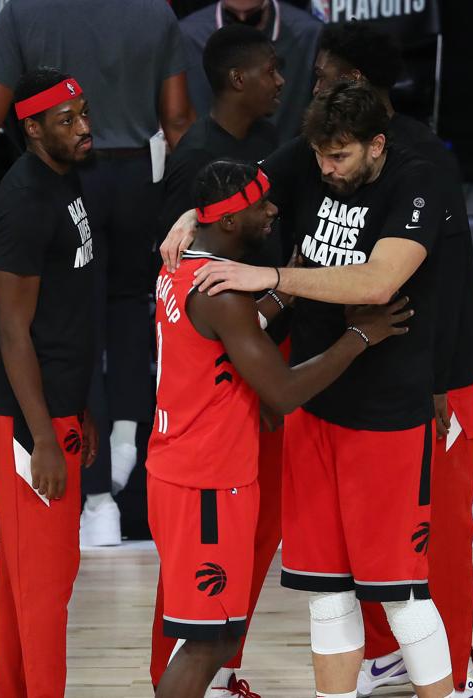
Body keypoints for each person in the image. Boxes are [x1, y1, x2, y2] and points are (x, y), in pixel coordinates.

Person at [161, 82, 454, 698]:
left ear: (376, 146)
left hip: (385, 413)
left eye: (340, 157)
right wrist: (192, 214)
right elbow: (236, 193)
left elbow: (378, 283)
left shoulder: (418, 180)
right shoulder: (310, 156)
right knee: (325, 589)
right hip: (314, 407)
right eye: (320, 155)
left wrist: (270, 275)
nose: (325, 168)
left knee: (401, 593)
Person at [0, 0, 195, 546]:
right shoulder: (155, 11)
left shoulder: (22, 13)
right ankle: (128, 445)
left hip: (72, 176)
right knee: (135, 312)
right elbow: (178, 119)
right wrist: (194, 200)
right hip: (140, 176)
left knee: (75, 320)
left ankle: (100, 500)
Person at [311, 22, 473, 698]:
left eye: (327, 74)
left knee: (439, 532)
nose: (316, 84)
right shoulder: (331, 149)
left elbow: (438, 285)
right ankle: (389, 656)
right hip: (377, 368)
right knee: (380, 538)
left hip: (439, 374)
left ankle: (461, 670)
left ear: (357, 80)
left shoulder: (422, 158)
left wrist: (438, 383)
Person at [149, 24, 285, 696]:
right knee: (200, 637)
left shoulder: (261, 152)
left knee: (216, 629)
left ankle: (205, 676)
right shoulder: (195, 159)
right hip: (203, 464)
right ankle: (175, 676)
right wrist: (360, 335)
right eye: (271, 70)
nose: (282, 82)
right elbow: (191, 270)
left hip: (210, 433)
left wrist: (282, 291)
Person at [0, 67, 99, 698]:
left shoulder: (64, 178)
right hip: (29, 417)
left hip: (59, 406)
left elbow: (72, 310)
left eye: (83, 114)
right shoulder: (23, 201)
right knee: (46, 580)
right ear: (31, 128)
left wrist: (82, 409)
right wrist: (44, 436)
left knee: (25, 574)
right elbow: (12, 330)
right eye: (67, 120)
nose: (84, 128)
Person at [178, 0, 322, 141]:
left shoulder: (311, 35)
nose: (280, 81)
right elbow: (177, 118)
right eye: (232, 18)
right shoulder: (187, 36)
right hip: (211, 157)